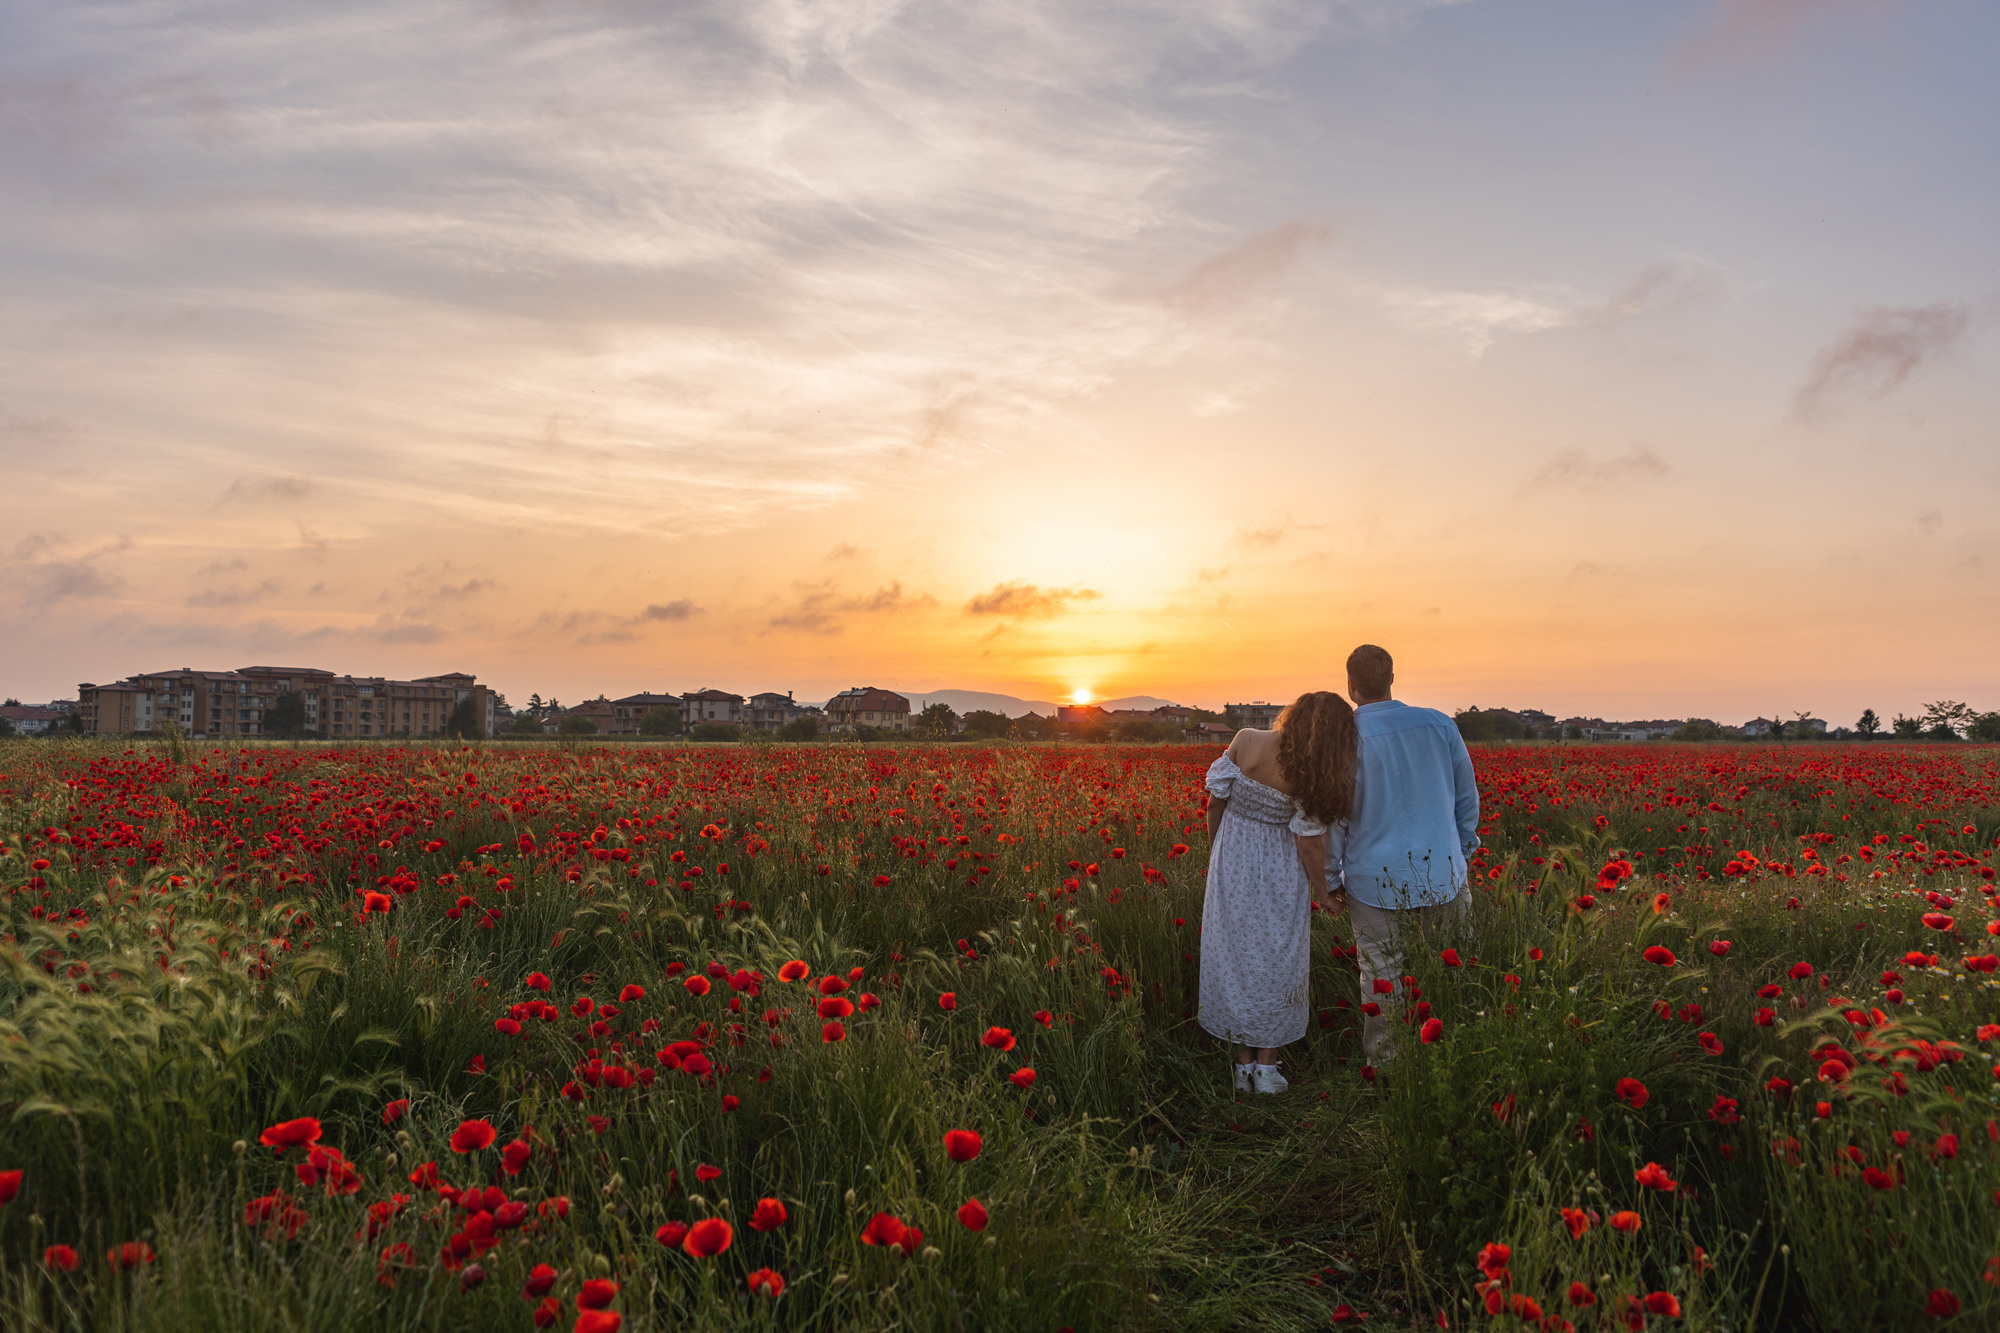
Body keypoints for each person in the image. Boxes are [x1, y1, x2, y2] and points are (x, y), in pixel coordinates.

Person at [1293, 644, 1480, 1067]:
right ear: (1392, 678)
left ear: (1351, 686)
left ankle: (1387, 1066)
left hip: (1373, 877)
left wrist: (1331, 879)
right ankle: (1454, 1053)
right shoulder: (1439, 724)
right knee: (1454, 962)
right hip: (1445, 872)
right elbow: (1466, 797)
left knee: (1382, 974)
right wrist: (1463, 849)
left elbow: (1338, 816)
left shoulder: (1346, 739)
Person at [1199, 691, 1358, 1094]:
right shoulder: (1314, 770)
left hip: (1231, 859)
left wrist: (1217, 855)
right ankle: (1267, 1069)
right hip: (1280, 869)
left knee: (1233, 954)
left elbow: (1213, 807)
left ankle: (1241, 1066)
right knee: (1277, 958)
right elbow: (1308, 842)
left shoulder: (1247, 738)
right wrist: (1323, 893)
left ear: (1293, 714)